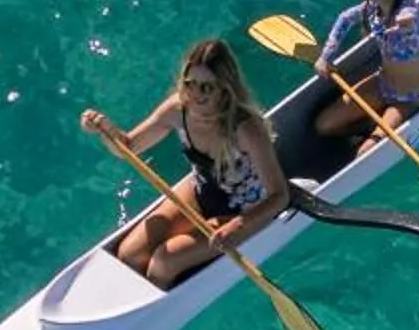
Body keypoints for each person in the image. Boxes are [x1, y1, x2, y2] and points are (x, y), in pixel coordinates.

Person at [81, 37, 287, 289]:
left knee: (163, 262)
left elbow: (279, 196)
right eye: (191, 85)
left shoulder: (245, 129)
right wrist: (106, 130)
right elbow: (129, 148)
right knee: (129, 254)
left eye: (207, 88)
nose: (196, 95)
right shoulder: (177, 110)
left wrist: (238, 226)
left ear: (224, 88)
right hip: (200, 193)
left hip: (244, 211)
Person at [310, 0, 419, 138]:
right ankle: (371, 129)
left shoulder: (408, 11)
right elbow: (345, 18)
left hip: (410, 98)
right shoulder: (371, 9)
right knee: (324, 126)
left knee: (365, 153)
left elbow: (410, 18)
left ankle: (377, 134)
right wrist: (325, 57)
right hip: (383, 85)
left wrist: (403, 24)